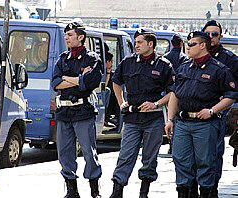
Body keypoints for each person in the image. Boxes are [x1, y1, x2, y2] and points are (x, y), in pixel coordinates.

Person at [164, 31, 238, 198]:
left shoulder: (218, 69)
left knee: (205, 163)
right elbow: (175, 94)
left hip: (205, 123)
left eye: (191, 44)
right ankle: (184, 194)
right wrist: (169, 119)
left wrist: (212, 110)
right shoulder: (184, 67)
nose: (187, 48)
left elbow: (231, 95)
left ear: (203, 45)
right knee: (181, 161)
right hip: (182, 122)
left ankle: (206, 193)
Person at [109, 28, 174, 198]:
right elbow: (116, 82)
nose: (136, 45)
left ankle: (144, 192)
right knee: (125, 155)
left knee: (149, 157)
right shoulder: (128, 62)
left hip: (153, 119)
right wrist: (121, 102)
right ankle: (117, 191)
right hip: (132, 118)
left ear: (150, 44)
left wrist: (155, 104)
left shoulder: (164, 65)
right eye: (135, 42)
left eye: (139, 42)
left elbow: (173, 92)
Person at [52, 22, 102, 198]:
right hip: (64, 112)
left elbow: (90, 83)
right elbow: (55, 83)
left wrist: (71, 79)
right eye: (66, 35)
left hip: (83, 111)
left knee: (89, 152)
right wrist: (78, 78)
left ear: (81, 37)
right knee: (65, 154)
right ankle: (72, 191)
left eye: (70, 35)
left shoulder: (92, 59)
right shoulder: (63, 58)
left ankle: (94, 191)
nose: (66, 37)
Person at [202, 20, 238, 197]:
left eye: (214, 34)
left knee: (214, 153)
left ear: (220, 36)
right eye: (207, 33)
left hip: (219, 112)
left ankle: (211, 188)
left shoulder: (230, 59)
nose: (211, 37)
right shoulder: (193, 56)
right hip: (195, 111)